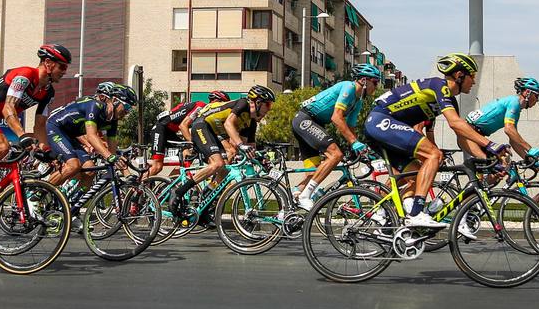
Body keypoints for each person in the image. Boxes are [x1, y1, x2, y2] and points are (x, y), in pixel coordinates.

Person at [363, 53, 498, 229]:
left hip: (379, 128)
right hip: (380, 121)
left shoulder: (448, 99)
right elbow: (456, 124)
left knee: (416, 176)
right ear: (459, 75)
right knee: (434, 154)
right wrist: (491, 145)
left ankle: (382, 216)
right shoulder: (439, 85)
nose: (473, 82)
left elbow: (462, 137)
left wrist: (485, 158)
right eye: (472, 76)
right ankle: (417, 213)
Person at [0, 44, 70, 211]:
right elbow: (8, 108)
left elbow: (40, 124)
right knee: (2, 147)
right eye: (62, 66)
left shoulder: (48, 92)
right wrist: (21, 135)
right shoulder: (25, 75)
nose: (64, 71)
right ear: (48, 63)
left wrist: (45, 151)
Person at [168, 85, 275, 215]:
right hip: (202, 125)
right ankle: (179, 191)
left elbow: (250, 148)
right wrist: (241, 145)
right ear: (257, 102)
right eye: (268, 105)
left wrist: (261, 159)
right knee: (217, 163)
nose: (269, 110)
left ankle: (209, 191)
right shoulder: (243, 104)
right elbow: (228, 124)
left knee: (231, 155)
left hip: (215, 131)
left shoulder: (251, 123)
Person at [294, 65, 383, 210]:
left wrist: (359, 148)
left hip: (313, 123)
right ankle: (305, 197)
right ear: (364, 80)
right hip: (305, 120)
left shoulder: (358, 101)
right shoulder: (349, 87)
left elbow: (350, 127)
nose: (377, 86)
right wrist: (353, 142)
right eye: (375, 81)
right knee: (335, 155)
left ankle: (292, 201)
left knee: (315, 172)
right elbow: (336, 118)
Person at [45, 82, 137, 189]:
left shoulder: (112, 121)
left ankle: (73, 203)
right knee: (73, 165)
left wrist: (128, 175)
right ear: (115, 101)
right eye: (126, 107)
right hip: (55, 128)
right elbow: (91, 136)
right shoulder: (94, 106)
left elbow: (112, 150)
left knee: (90, 170)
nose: (127, 112)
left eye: (130, 110)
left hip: (70, 136)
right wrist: (109, 156)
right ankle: (39, 193)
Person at [147, 90, 228, 179]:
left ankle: (172, 184)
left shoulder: (206, 112)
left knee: (188, 156)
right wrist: (195, 144)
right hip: (160, 129)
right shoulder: (201, 106)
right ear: (216, 101)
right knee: (157, 166)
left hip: (171, 132)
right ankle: (136, 188)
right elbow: (183, 126)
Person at [464, 76, 539, 162]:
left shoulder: (516, 109)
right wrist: (530, 149)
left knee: (501, 165)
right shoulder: (514, 102)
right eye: (536, 95)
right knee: (496, 167)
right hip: (470, 134)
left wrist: (528, 159)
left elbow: (513, 140)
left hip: (476, 134)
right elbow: (509, 129)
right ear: (527, 92)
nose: (537, 100)